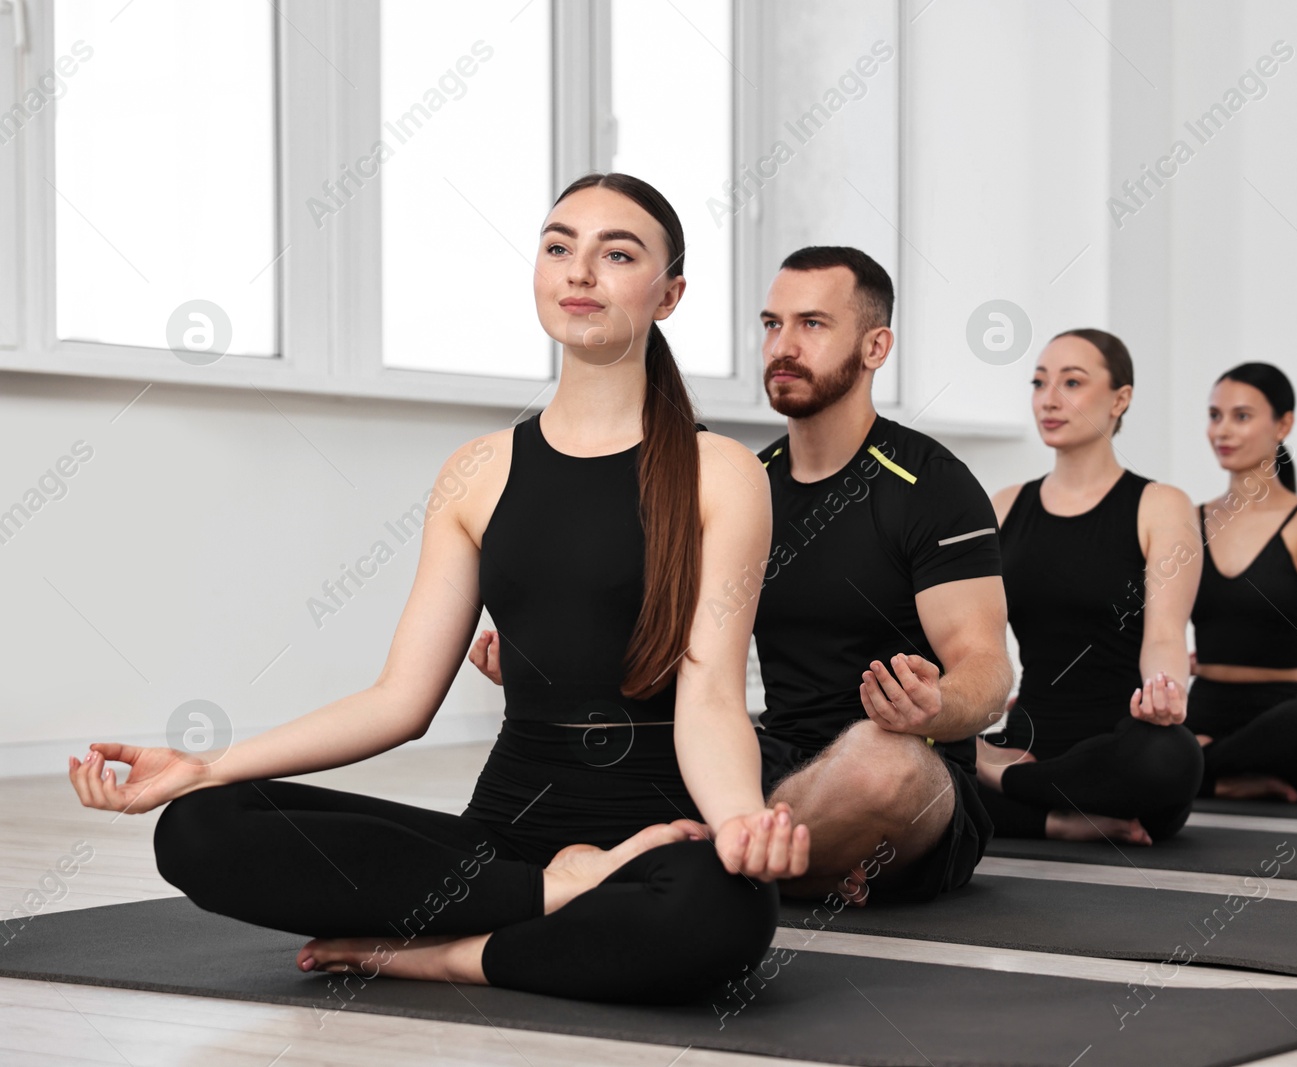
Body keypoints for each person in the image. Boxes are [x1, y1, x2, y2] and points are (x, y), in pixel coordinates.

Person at [66, 172, 806, 1005]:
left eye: (617, 253)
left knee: (718, 912)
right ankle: (554, 900)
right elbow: (400, 701)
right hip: (502, 840)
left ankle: (437, 955)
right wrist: (202, 766)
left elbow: (709, 698)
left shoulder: (723, 472)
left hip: (656, 837)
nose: (579, 271)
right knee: (201, 827)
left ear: (668, 294)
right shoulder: (478, 472)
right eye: (559, 246)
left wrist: (741, 821)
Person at [476, 246, 1013, 907]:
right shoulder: (741, 482)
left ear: (876, 346)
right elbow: (672, 642)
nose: (783, 346)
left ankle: (704, 860)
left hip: (910, 772)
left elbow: (988, 672)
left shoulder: (931, 485)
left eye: (812, 324)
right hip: (768, 759)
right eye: (771, 324)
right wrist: (549, 652)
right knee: (623, 749)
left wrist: (938, 705)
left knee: (884, 763)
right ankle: (790, 863)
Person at [974, 328, 1204, 845]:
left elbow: (1166, 633)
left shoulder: (1161, 505)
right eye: (1039, 383)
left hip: (1121, 745)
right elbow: (971, 638)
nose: (1049, 400)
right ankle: (1059, 819)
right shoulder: (1004, 505)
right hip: (1027, 736)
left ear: (1120, 398)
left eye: (1072, 383)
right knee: (913, 770)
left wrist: (1165, 695)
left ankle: (1011, 784)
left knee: (1172, 759)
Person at [1186, 363, 1297, 801]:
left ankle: (1196, 769)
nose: (1222, 431)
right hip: (1204, 707)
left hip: (1286, 711)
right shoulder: (1186, 520)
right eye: (1215, 415)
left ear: (1283, 424)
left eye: (1241, 416)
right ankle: (1224, 775)